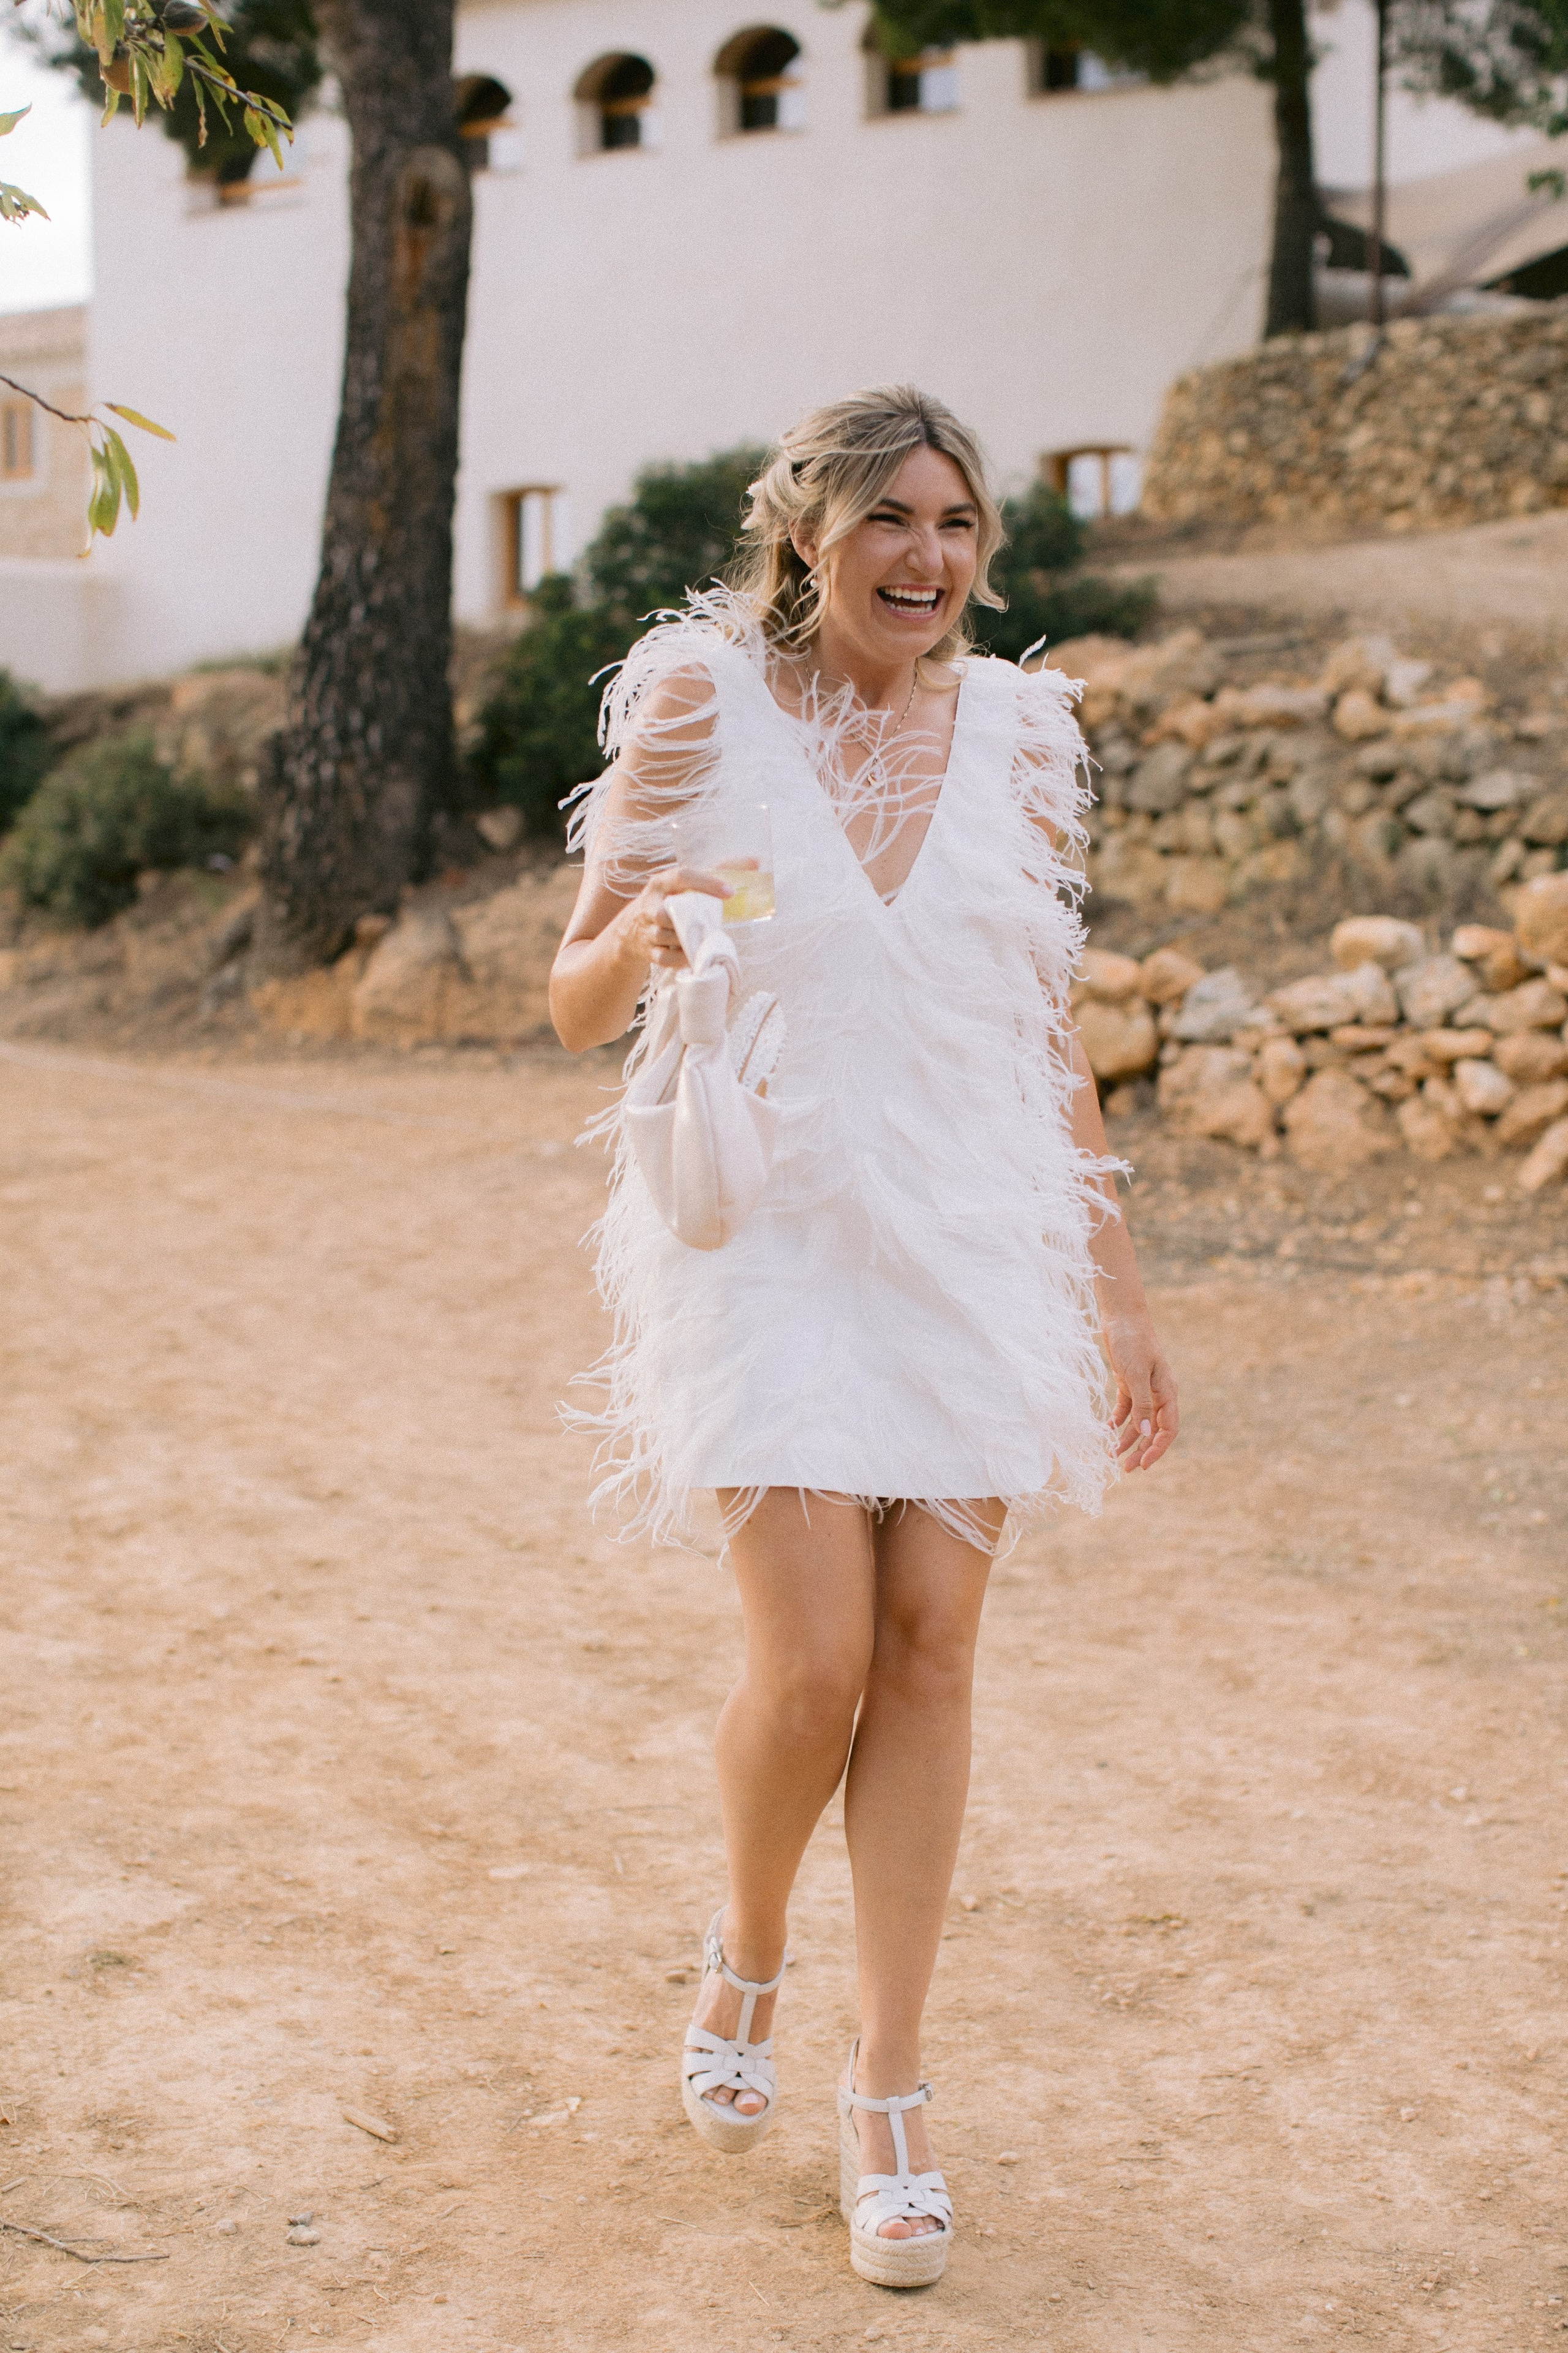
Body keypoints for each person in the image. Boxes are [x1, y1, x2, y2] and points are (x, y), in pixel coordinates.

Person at [549, 385, 1177, 2289]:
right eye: (890, 519)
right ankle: (747, 1948)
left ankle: (888, 2085)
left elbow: (1039, 1021)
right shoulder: (695, 706)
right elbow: (573, 998)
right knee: (813, 1656)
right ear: (807, 533)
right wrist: (650, 933)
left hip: (979, 1234)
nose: (928, 557)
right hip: (770, 1234)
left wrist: (1118, 1283)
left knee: (931, 1649)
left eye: (961, 523)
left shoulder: (1026, 741)